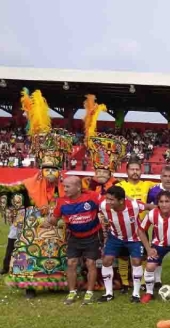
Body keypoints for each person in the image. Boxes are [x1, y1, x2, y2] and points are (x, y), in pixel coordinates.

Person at [0, 89, 73, 298]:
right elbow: (12, 195)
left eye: (54, 169)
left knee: (59, 254)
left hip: (56, 229)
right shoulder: (29, 184)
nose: (51, 172)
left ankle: (59, 283)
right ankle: (30, 285)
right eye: (47, 168)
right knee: (29, 252)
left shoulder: (65, 185)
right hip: (34, 230)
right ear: (41, 168)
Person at [46, 176, 102, 305]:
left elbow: (108, 204)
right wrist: (50, 220)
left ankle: (89, 293)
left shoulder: (92, 197)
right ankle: (72, 292)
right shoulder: (61, 202)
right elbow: (54, 220)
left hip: (92, 236)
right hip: (74, 237)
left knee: (90, 263)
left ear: (78, 187)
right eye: (64, 186)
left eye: (67, 186)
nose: (64, 189)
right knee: (71, 263)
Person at [98, 185, 148, 303]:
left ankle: (136, 293)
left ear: (121, 200)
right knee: (106, 261)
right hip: (115, 237)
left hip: (134, 238)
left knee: (136, 261)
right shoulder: (103, 206)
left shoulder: (134, 205)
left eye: (112, 200)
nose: (108, 202)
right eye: (107, 199)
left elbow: (150, 207)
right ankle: (109, 293)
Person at [118, 159, 155, 294]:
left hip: (142, 228)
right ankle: (125, 283)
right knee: (123, 256)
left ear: (141, 171)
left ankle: (144, 282)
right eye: (132, 169)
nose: (135, 172)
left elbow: (166, 185)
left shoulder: (148, 185)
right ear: (127, 171)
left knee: (143, 256)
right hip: (124, 227)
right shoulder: (120, 186)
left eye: (137, 169)